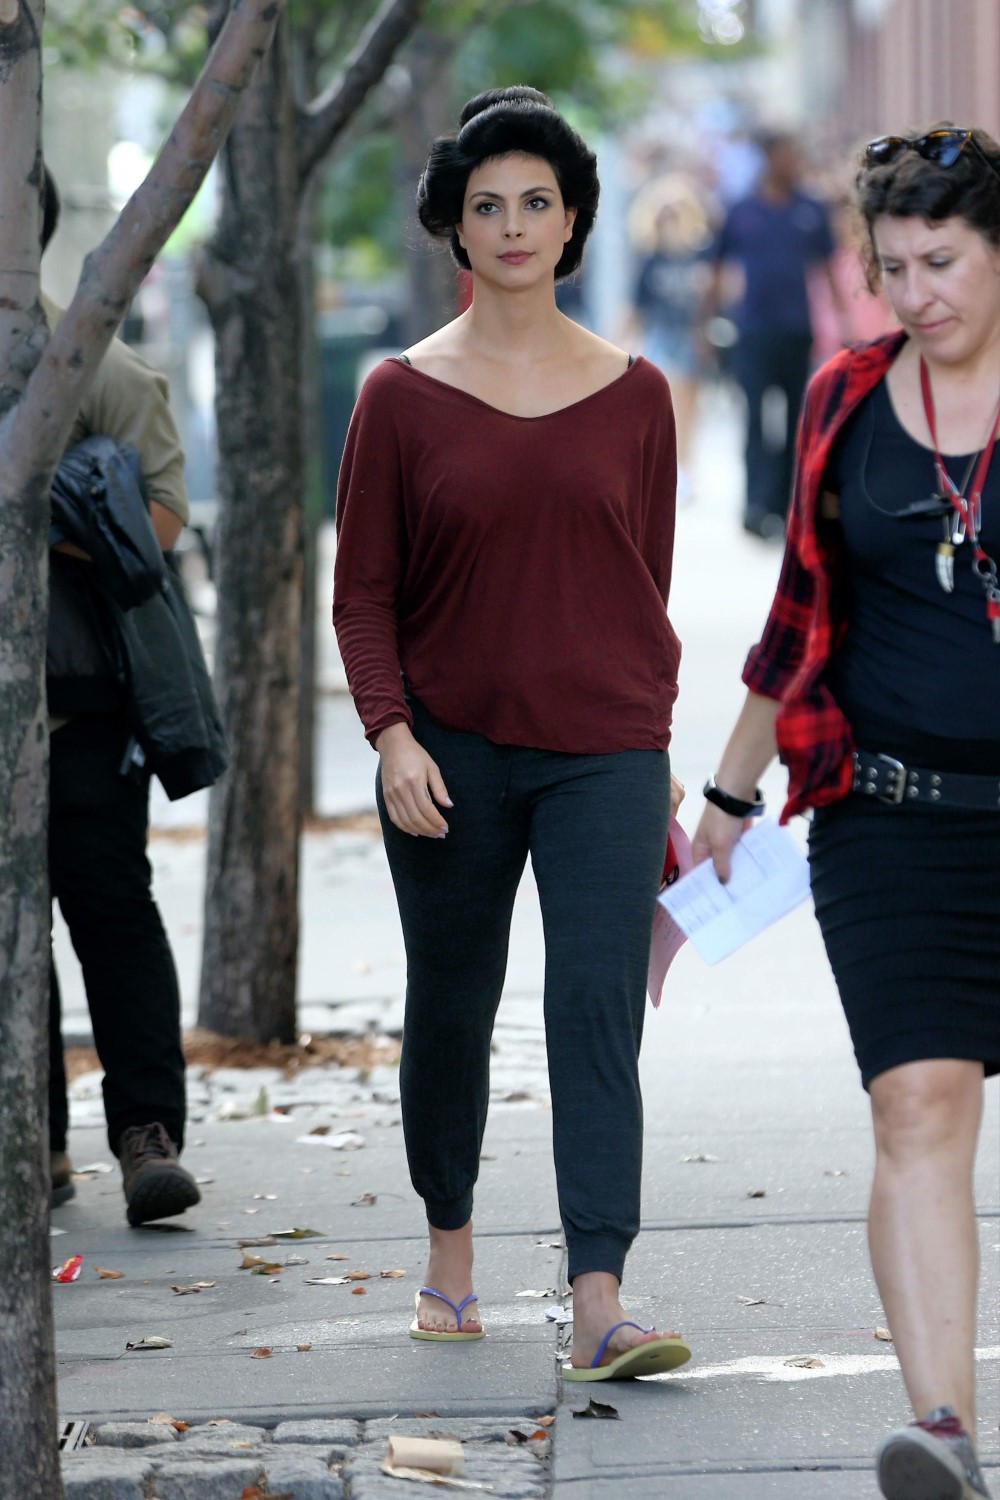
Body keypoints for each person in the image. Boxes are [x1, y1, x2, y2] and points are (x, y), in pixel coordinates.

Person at [333, 86, 691, 1380]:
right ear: (457, 229)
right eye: (488, 206)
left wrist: (649, 742)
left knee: (596, 1011)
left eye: (538, 201)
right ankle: (451, 1249)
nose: (514, 224)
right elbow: (362, 593)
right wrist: (391, 735)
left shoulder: (638, 394)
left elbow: (638, 578)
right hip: (449, 755)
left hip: (604, 752)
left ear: (575, 219)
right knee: (452, 1006)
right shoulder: (398, 395)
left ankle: (600, 1296)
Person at [693, 125, 1000, 1499]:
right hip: (888, 819)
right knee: (917, 1104)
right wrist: (728, 791)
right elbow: (796, 616)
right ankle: (942, 1429)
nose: (916, 293)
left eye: (942, 261)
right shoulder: (846, 398)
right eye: (893, 267)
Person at [43, 169, 202, 1227]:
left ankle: (147, 1135)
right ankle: (35, 1144)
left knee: (108, 908)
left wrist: (45, 510)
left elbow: (166, 523)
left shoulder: (98, 368)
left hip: (81, 704)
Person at [704, 130, 844, 538]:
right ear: (767, 157)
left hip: (797, 330)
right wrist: (708, 321)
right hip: (753, 331)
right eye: (787, 154)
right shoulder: (741, 209)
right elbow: (716, 266)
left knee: (795, 420)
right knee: (754, 419)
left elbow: (828, 268)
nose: (794, 162)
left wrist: (844, 323)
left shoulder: (812, 209)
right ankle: (754, 505)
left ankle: (787, 505)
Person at [628, 173, 713, 507]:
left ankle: (687, 470)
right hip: (660, 336)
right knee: (663, 406)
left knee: (690, 407)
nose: (670, 222)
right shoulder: (650, 260)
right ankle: (666, 471)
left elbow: (710, 302)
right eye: (664, 215)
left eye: (675, 214)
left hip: (691, 336)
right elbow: (635, 307)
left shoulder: (700, 257)